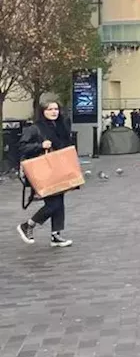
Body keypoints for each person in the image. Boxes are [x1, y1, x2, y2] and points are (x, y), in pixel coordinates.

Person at [15, 99, 75, 248]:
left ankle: (56, 235)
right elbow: (22, 147)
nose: (54, 112)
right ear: (43, 112)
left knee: (59, 202)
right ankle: (28, 225)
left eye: (56, 109)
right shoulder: (35, 128)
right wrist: (40, 145)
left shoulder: (61, 126)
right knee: (53, 204)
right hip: (43, 171)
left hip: (58, 170)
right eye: (49, 109)